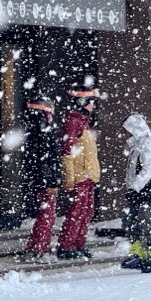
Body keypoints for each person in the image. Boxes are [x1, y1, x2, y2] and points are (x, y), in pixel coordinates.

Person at [120, 113, 151, 273]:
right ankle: (140, 253)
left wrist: (136, 186)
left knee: (148, 224)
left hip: (146, 193)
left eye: (126, 130)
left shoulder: (147, 143)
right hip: (138, 193)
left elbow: (149, 169)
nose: (124, 134)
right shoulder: (138, 144)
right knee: (132, 223)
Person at [57, 85, 101, 260]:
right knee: (76, 212)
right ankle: (67, 246)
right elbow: (67, 152)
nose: (93, 105)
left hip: (87, 174)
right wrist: (70, 176)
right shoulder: (74, 122)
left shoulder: (84, 122)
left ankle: (77, 244)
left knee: (85, 211)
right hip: (80, 175)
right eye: (91, 102)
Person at [21, 96, 62, 262]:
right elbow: (47, 158)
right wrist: (52, 181)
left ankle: (36, 246)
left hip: (38, 179)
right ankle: (39, 249)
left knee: (44, 216)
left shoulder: (31, 127)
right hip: (44, 181)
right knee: (46, 216)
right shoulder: (43, 128)